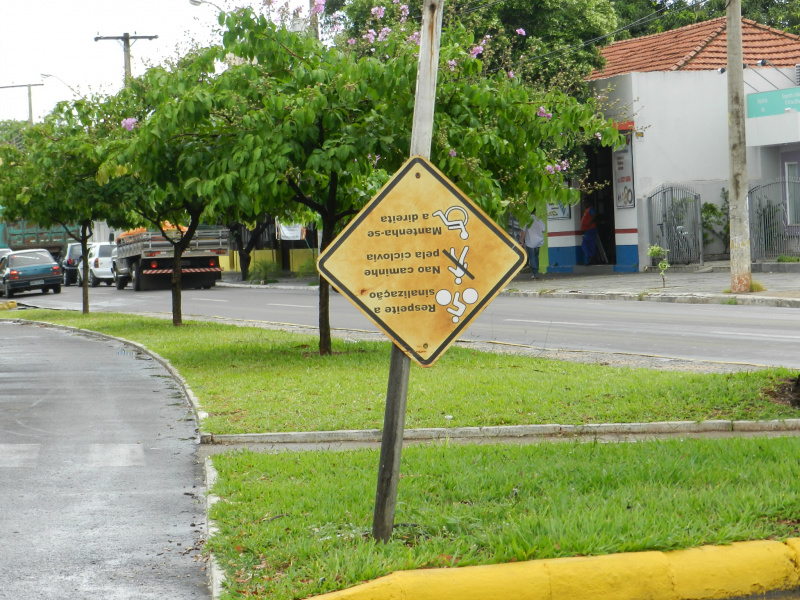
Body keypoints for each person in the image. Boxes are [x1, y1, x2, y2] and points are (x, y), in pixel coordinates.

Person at [519, 209, 546, 279]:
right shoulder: (539, 220)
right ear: (535, 212)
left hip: (530, 242)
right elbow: (544, 230)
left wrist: (521, 239)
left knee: (532, 257)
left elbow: (523, 232)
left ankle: (535, 273)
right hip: (538, 241)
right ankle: (536, 271)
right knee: (536, 256)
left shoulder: (527, 221)